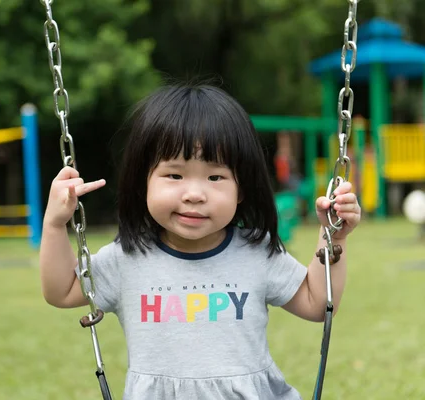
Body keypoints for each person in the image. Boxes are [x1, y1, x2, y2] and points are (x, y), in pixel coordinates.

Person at [39, 83, 361, 399]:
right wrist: (55, 224)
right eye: (175, 175)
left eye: (215, 177)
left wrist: (334, 235)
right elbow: (62, 290)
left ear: (241, 189)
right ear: (143, 183)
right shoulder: (128, 258)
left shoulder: (255, 252)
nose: (194, 194)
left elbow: (317, 303)